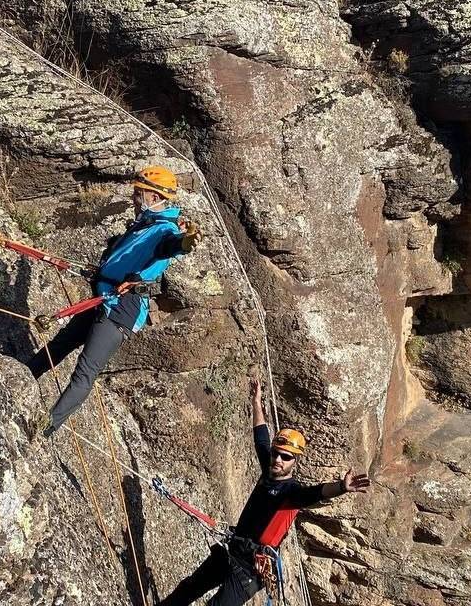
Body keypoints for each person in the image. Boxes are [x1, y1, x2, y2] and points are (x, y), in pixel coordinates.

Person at [158, 378, 371, 605]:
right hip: (233, 550)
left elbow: (315, 493)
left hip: (250, 570)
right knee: (189, 588)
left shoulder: (291, 492)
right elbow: (261, 437)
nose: (278, 459)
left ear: (295, 461)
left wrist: (341, 487)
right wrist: (256, 402)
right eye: (276, 453)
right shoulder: (268, 471)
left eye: (286, 457)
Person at [26, 166, 201, 437]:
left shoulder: (164, 229)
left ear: (153, 197)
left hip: (122, 308)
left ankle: (46, 427)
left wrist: (186, 242)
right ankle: (22, 377)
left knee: (85, 371)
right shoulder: (145, 224)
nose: (134, 197)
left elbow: (172, 245)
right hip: (105, 296)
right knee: (61, 344)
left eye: (138, 192)